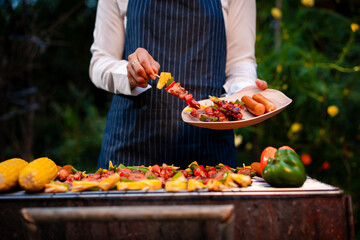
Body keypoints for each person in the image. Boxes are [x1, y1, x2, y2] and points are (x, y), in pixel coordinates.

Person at [89, 0, 268, 169]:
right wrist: (127, 73)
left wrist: (245, 89)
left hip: (210, 151)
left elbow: (240, 62)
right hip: (129, 150)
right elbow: (100, 62)